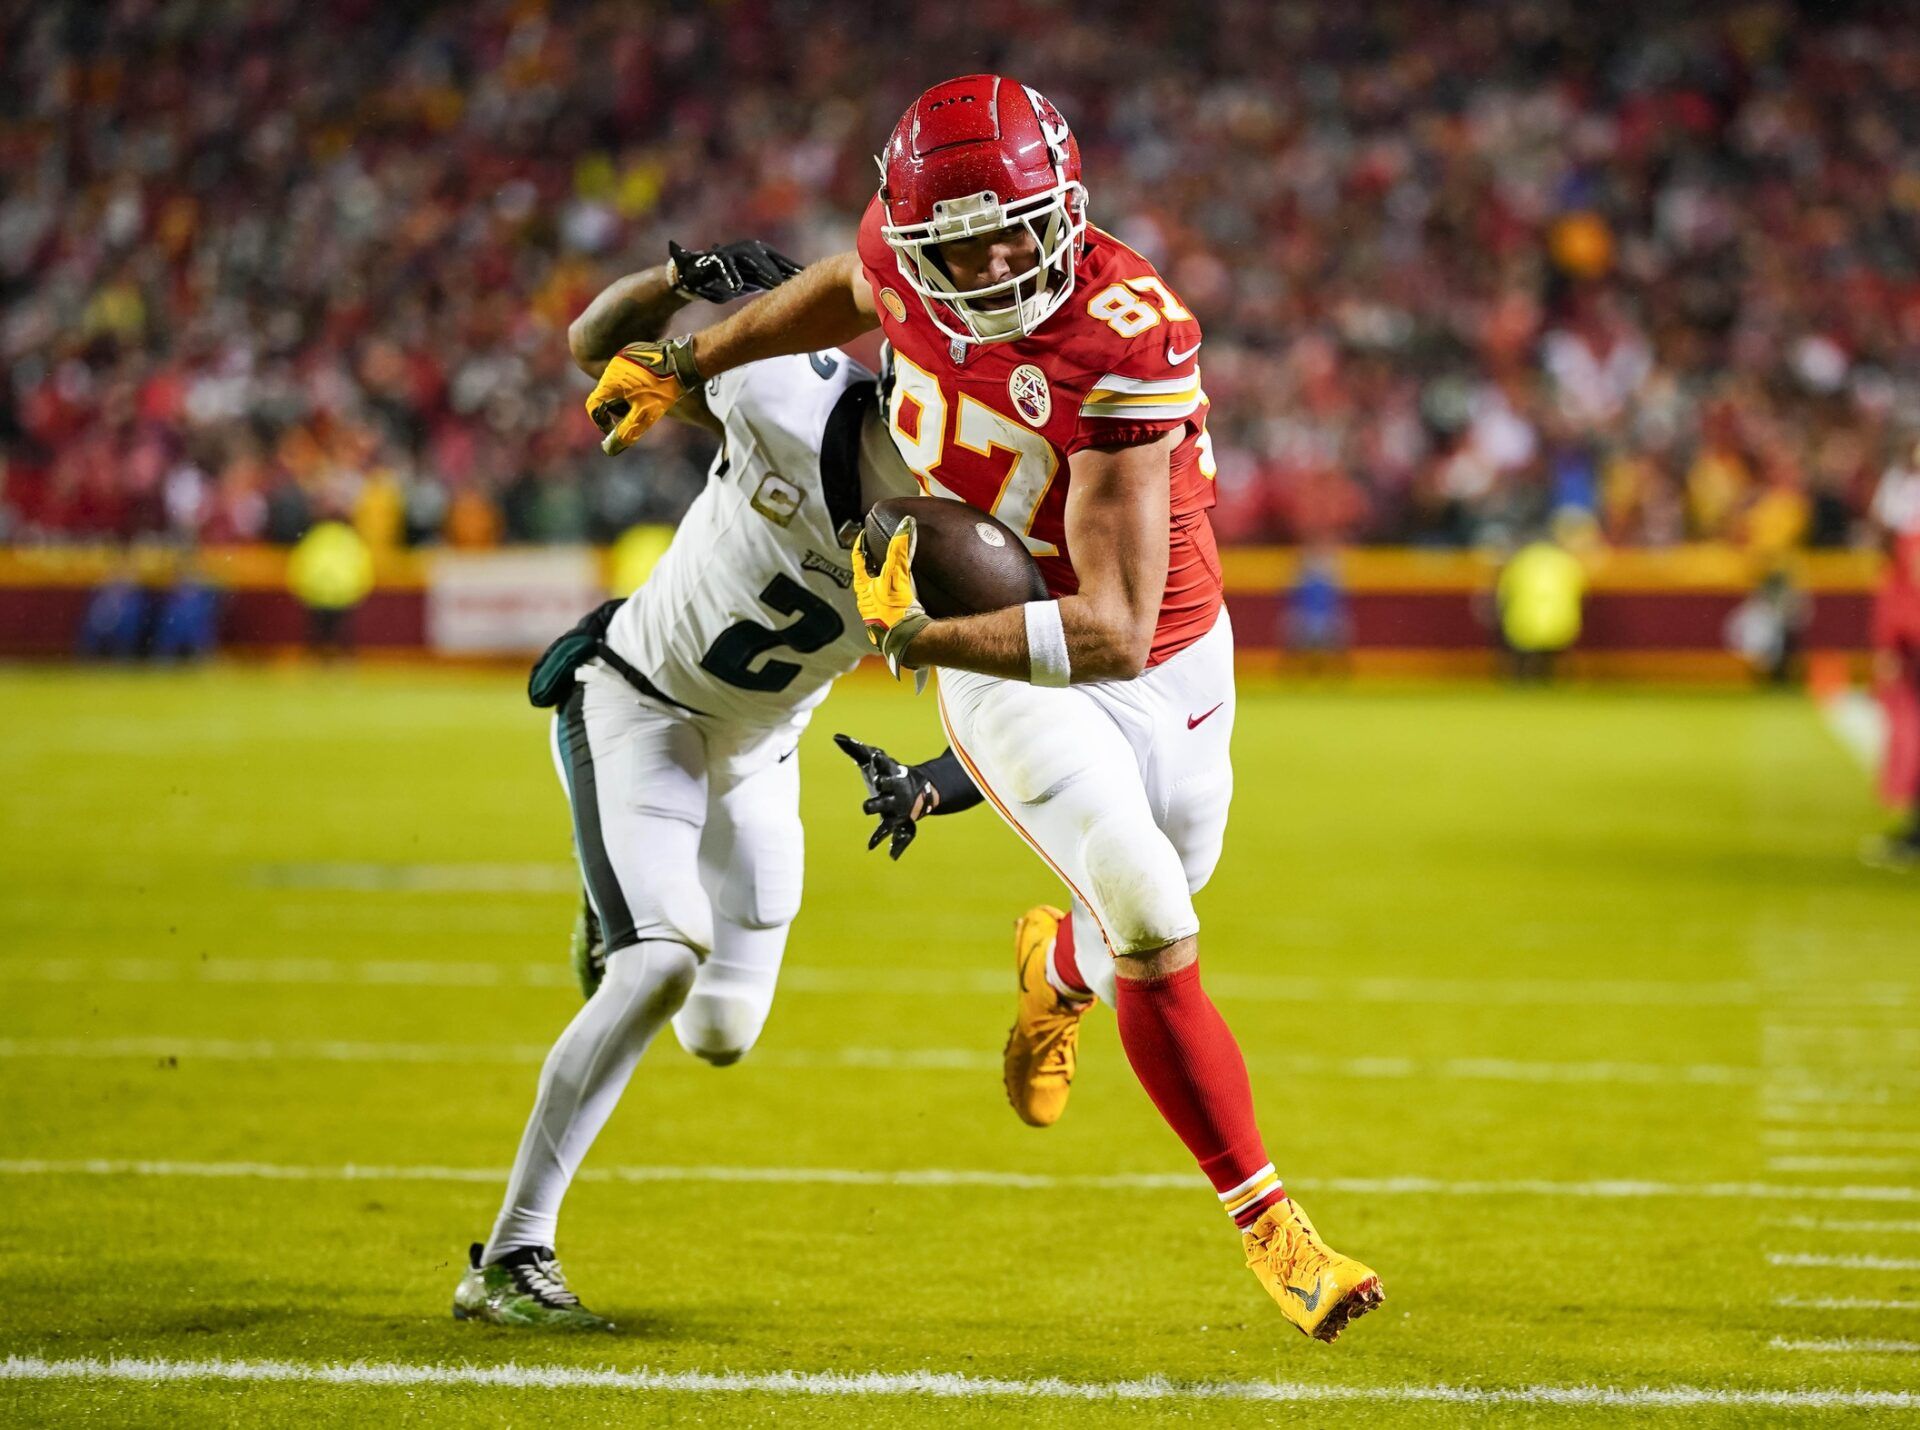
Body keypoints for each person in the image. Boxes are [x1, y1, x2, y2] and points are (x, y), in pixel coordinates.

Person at [582, 76, 1383, 1341]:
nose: (1005, 253)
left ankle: (1048, 967)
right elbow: (844, 295)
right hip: (1007, 663)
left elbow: (1117, 629)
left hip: (1153, 647)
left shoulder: (1129, 334)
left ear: (1065, 204)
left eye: (1023, 223)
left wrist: (910, 631)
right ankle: (1274, 1226)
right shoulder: (894, 262)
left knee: (1157, 901)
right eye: (968, 236)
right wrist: (686, 357)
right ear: (917, 236)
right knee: (1160, 927)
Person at [455, 238, 966, 1329]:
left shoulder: (965, 533)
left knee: (722, 1030)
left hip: (762, 751)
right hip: (638, 696)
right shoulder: (783, 382)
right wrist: (679, 281)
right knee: (660, 960)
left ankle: (626, 902)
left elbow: (1012, 711)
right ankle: (511, 1250)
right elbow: (593, 344)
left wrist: (928, 782)